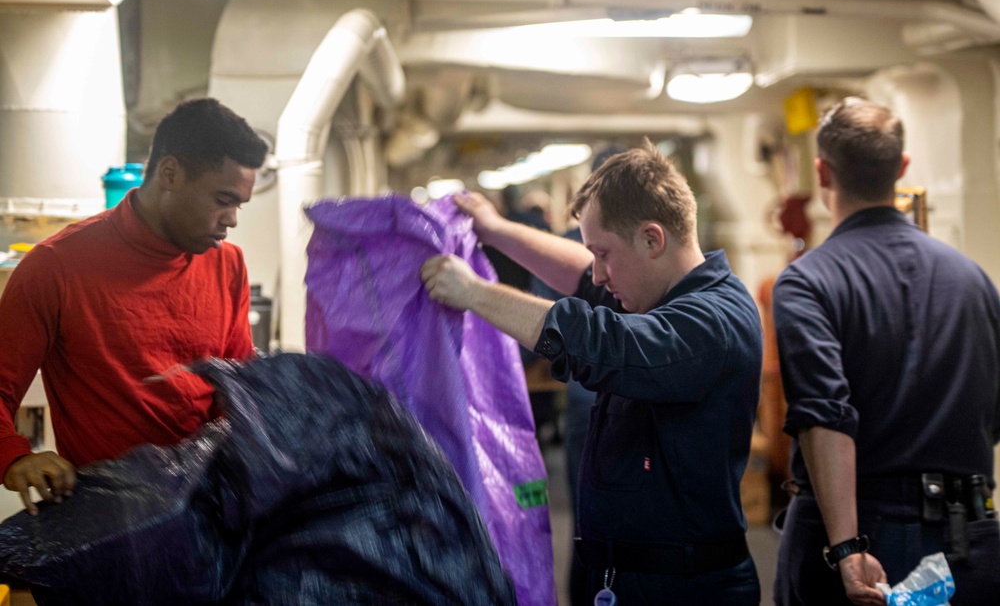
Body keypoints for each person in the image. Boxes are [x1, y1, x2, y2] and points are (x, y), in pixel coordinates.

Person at [421, 141, 763, 604]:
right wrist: (497, 231)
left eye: (605, 254)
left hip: (682, 589)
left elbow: (598, 344)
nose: (599, 275)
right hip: (630, 575)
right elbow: (581, 275)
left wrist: (476, 294)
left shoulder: (710, 324)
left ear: (652, 239)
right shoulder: (659, 293)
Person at [772, 97, 1000, 606]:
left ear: (822, 172)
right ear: (901, 168)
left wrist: (846, 546)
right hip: (967, 540)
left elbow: (824, 415)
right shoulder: (974, 280)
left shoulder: (809, 282)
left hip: (862, 540)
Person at [0, 98, 267, 515]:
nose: (231, 219)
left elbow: (236, 397)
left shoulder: (228, 266)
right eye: (222, 199)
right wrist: (15, 457)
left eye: (238, 205)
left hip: (204, 516)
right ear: (170, 174)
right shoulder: (56, 267)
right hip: (103, 525)